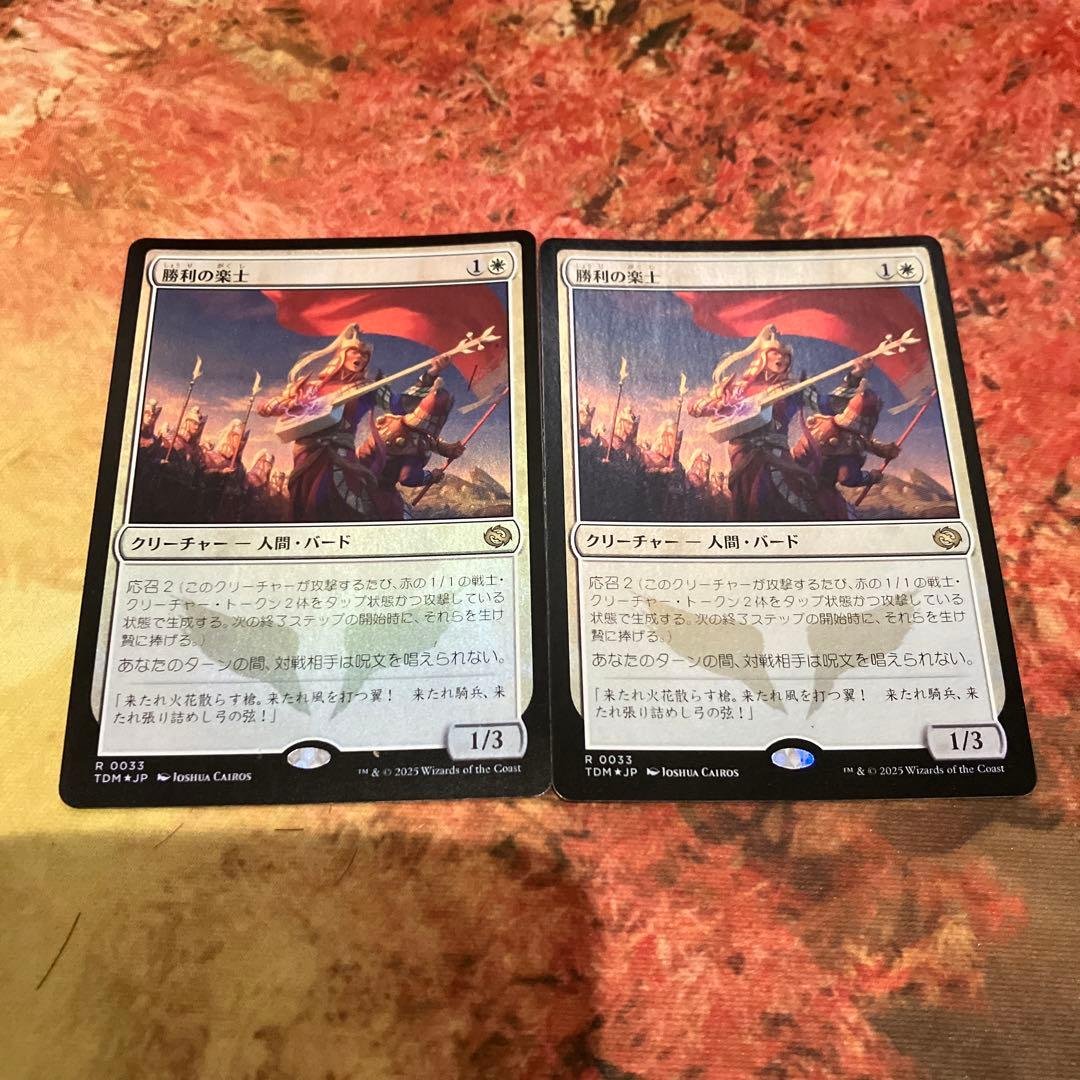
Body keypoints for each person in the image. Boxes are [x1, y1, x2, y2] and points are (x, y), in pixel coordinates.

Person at [258, 323, 453, 521]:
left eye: (365, 355)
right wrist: (290, 402)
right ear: (342, 354)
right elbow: (266, 408)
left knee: (336, 501)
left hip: (340, 454)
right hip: (305, 451)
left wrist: (431, 374)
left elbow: (399, 404)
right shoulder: (313, 387)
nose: (361, 357)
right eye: (355, 352)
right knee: (304, 503)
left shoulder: (366, 388)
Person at [355, 380, 464, 520]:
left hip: (352, 471)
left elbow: (422, 437)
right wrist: (431, 476)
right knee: (404, 520)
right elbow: (407, 478)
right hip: (376, 489)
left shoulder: (397, 420)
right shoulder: (415, 446)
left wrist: (446, 449)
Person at [792, 379, 901, 519]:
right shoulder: (848, 445)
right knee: (848, 517)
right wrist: (871, 477)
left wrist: (883, 450)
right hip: (816, 491)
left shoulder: (826, 422)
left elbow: (860, 440)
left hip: (790, 477)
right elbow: (847, 478)